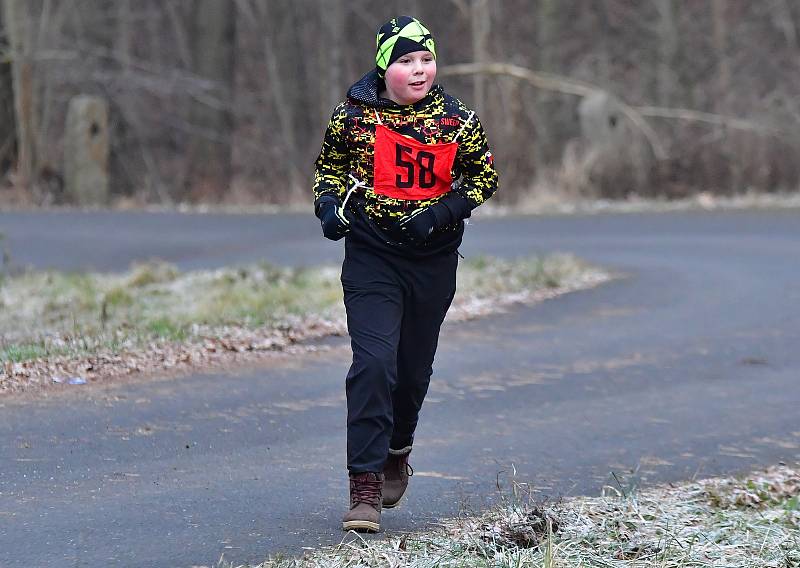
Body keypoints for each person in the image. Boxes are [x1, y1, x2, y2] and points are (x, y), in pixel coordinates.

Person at [312, 15, 498, 532]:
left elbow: (484, 177)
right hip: (372, 256)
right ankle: (364, 489)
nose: (419, 70)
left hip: (432, 262)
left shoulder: (457, 119)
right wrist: (329, 208)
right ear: (383, 65)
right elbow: (329, 170)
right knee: (374, 365)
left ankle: (398, 448)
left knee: (411, 373)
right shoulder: (352, 115)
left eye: (426, 60)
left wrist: (438, 214)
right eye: (406, 60)